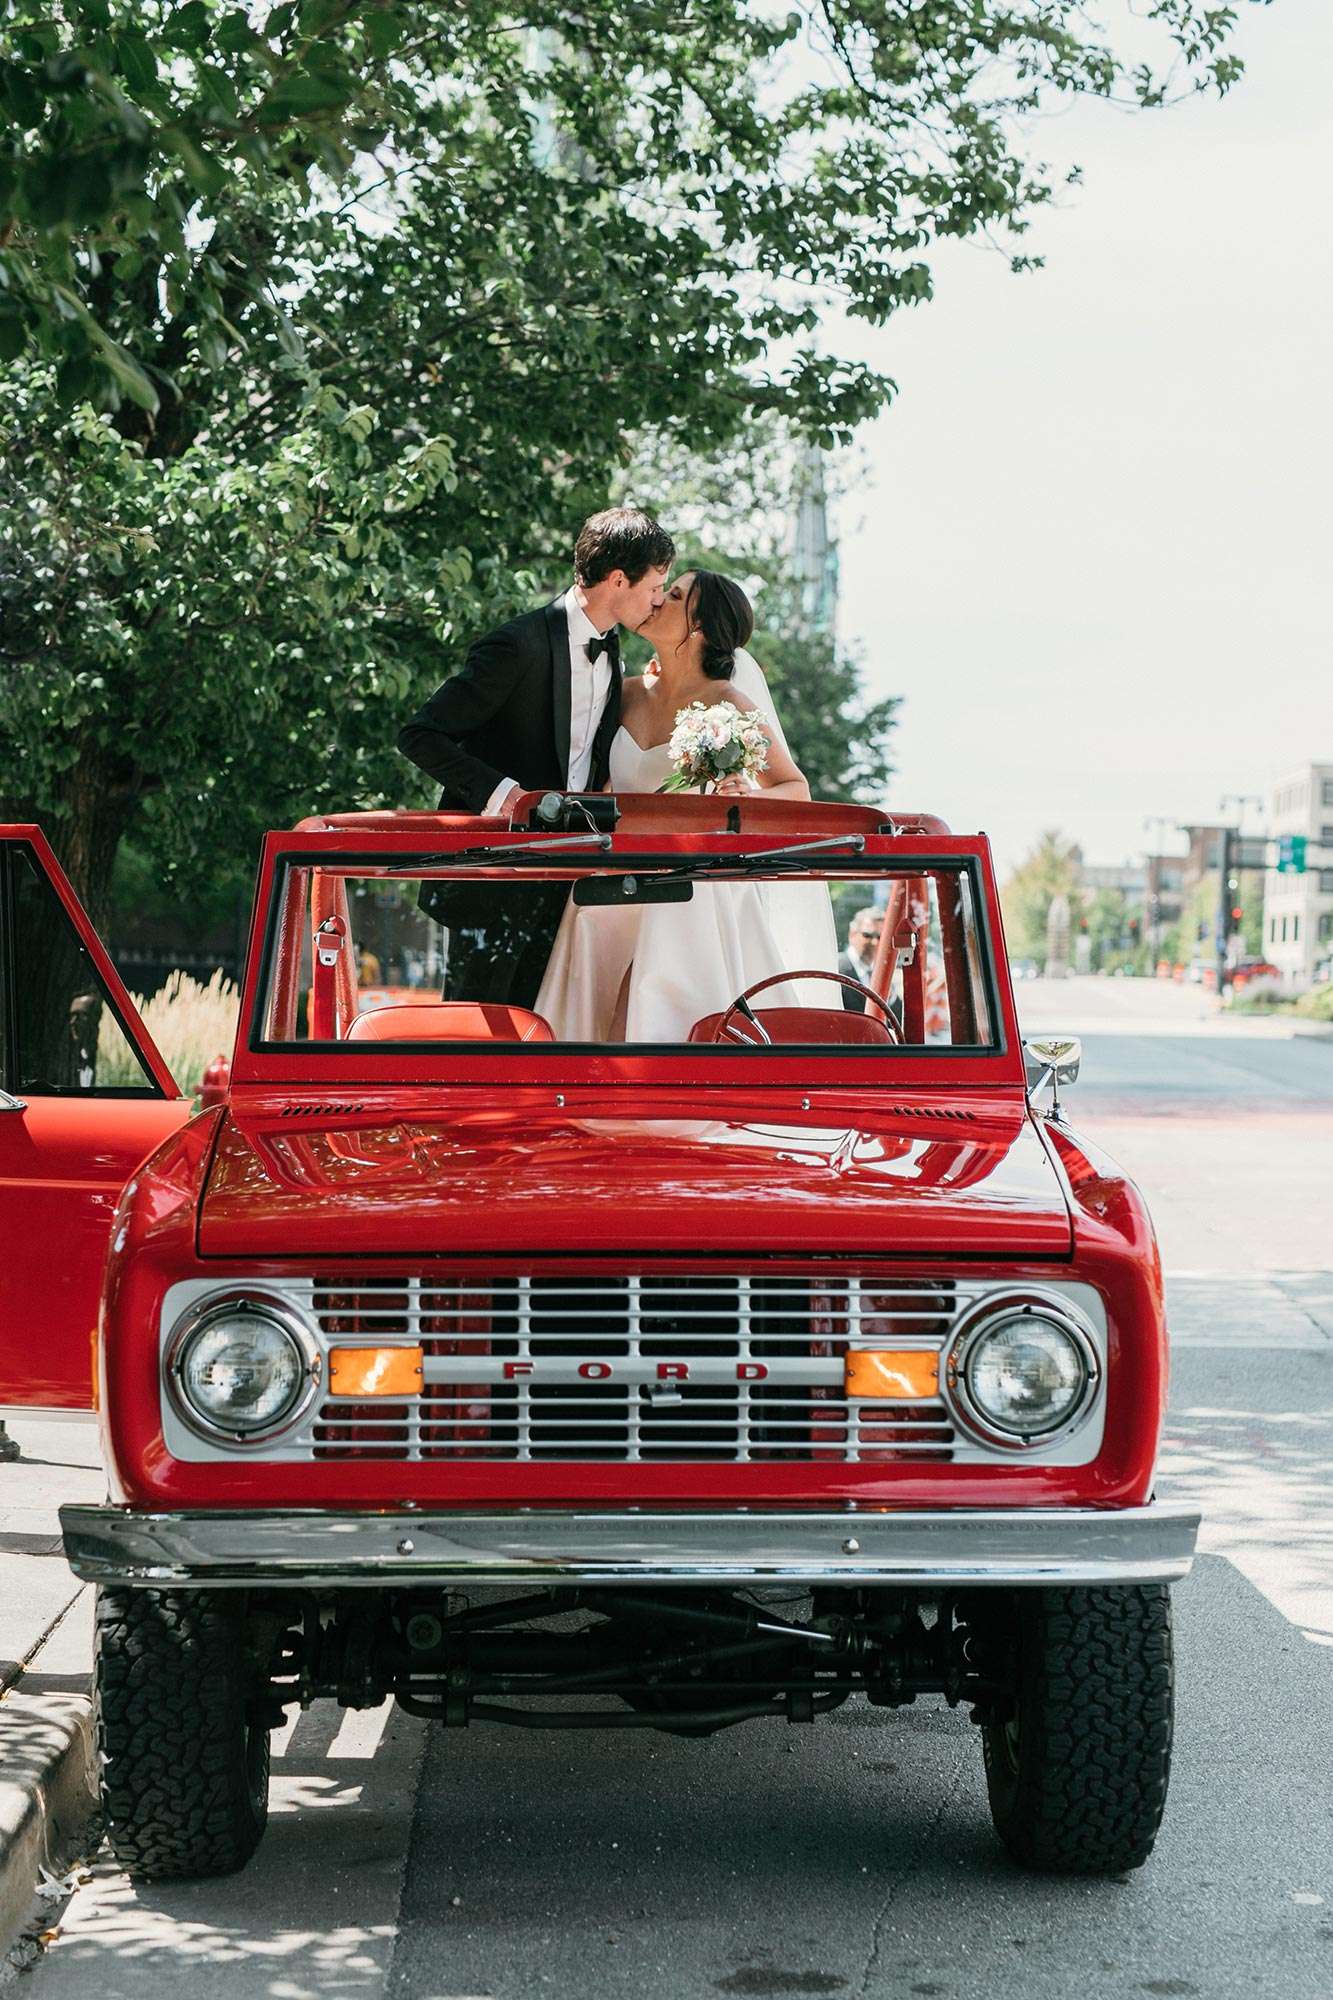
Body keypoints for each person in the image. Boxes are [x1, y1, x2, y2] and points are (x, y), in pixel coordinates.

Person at [535, 570, 839, 1042]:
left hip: (686, 889)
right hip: (612, 880)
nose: (656, 599)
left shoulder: (728, 704)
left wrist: (746, 798)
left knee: (644, 1017)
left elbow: (794, 789)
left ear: (698, 626)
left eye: (673, 595)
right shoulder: (624, 692)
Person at [397, 507, 675, 1006]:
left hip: (565, 884)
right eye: (655, 587)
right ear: (618, 580)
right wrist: (507, 796)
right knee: (474, 1040)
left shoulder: (614, 653)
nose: (657, 602)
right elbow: (421, 735)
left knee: (538, 1037)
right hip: (492, 881)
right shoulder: (517, 644)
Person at [838, 906, 883, 1012]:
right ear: (852, 935)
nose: (874, 942)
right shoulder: (836, 968)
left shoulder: (881, 976)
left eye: (880, 937)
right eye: (867, 935)